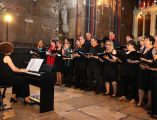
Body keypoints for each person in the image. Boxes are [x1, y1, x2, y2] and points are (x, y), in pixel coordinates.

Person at [137, 35, 155, 107]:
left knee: (148, 87)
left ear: (151, 42)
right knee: (140, 86)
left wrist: (146, 61)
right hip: (141, 70)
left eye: (146, 40)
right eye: (144, 40)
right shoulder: (144, 48)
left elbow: (154, 60)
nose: (144, 42)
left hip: (149, 71)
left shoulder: (153, 50)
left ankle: (149, 102)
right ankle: (140, 101)